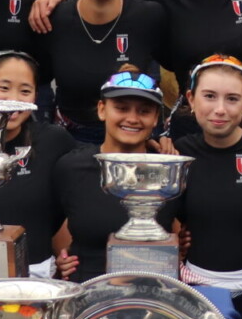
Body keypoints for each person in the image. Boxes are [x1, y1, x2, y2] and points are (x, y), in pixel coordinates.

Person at [159, 56, 242, 294]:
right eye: (209, 96)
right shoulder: (180, 152)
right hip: (195, 288)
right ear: (191, 99)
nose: (220, 109)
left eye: (232, 99)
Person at [45, 0, 167, 142]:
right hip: (68, 140)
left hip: (135, 140)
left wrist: (163, 135)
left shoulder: (150, 16)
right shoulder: (54, 18)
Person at [52, 67, 173, 280]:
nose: (132, 118)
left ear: (156, 118)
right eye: (121, 108)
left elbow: (178, 229)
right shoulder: (71, 166)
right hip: (85, 290)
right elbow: (53, 224)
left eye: (144, 111)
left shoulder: (169, 169)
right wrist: (60, 257)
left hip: (153, 293)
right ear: (102, 109)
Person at [0, 49, 76, 272]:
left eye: (25, 91)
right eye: (4, 88)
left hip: (37, 275)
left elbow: (81, 197)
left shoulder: (54, 141)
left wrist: (67, 253)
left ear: (35, 97)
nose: (13, 100)